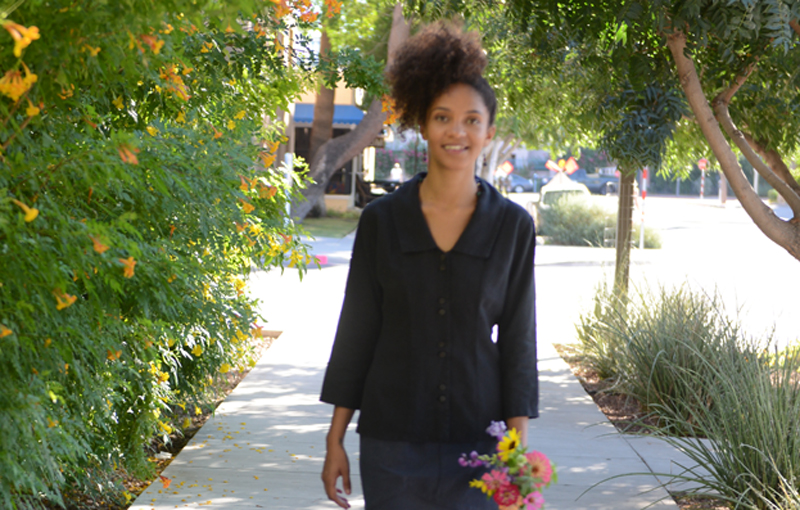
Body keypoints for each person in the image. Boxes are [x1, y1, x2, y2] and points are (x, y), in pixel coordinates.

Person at [320, 22, 538, 510]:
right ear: (423, 123)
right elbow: (358, 330)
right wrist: (335, 439)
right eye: (443, 117)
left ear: (489, 131)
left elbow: (519, 342)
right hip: (391, 442)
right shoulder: (382, 221)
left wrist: (517, 449)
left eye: (471, 120)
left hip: (482, 442)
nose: (456, 131)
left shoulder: (513, 227)